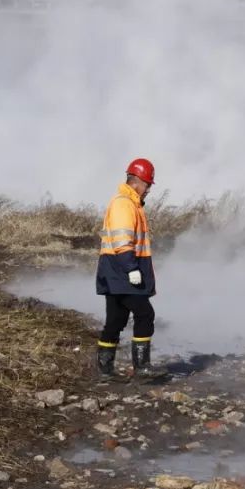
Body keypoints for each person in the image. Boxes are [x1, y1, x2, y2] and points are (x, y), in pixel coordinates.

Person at [96, 158, 157, 377]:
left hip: (113, 271)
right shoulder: (124, 203)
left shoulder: (129, 203)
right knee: (145, 314)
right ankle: (142, 367)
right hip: (122, 272)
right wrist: (132, 269)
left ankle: (104, 369)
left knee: (116, 320)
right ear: (137, 181)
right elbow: (122, 240)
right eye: (148, 184)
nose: (149, 189)